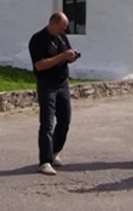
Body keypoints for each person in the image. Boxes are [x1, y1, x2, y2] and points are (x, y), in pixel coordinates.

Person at [28, 12, 77, 176]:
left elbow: (66, 52)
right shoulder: (38, 40)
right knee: (47, 122)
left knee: (65, 119)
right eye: (61, 27)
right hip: (46, 84)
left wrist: (70, 57)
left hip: (62, 84)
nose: (63, 31)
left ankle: (55, 151)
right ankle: (45, 161)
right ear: (53, 23)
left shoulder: (61, 37)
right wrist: (62, 56)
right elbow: (40, 65)